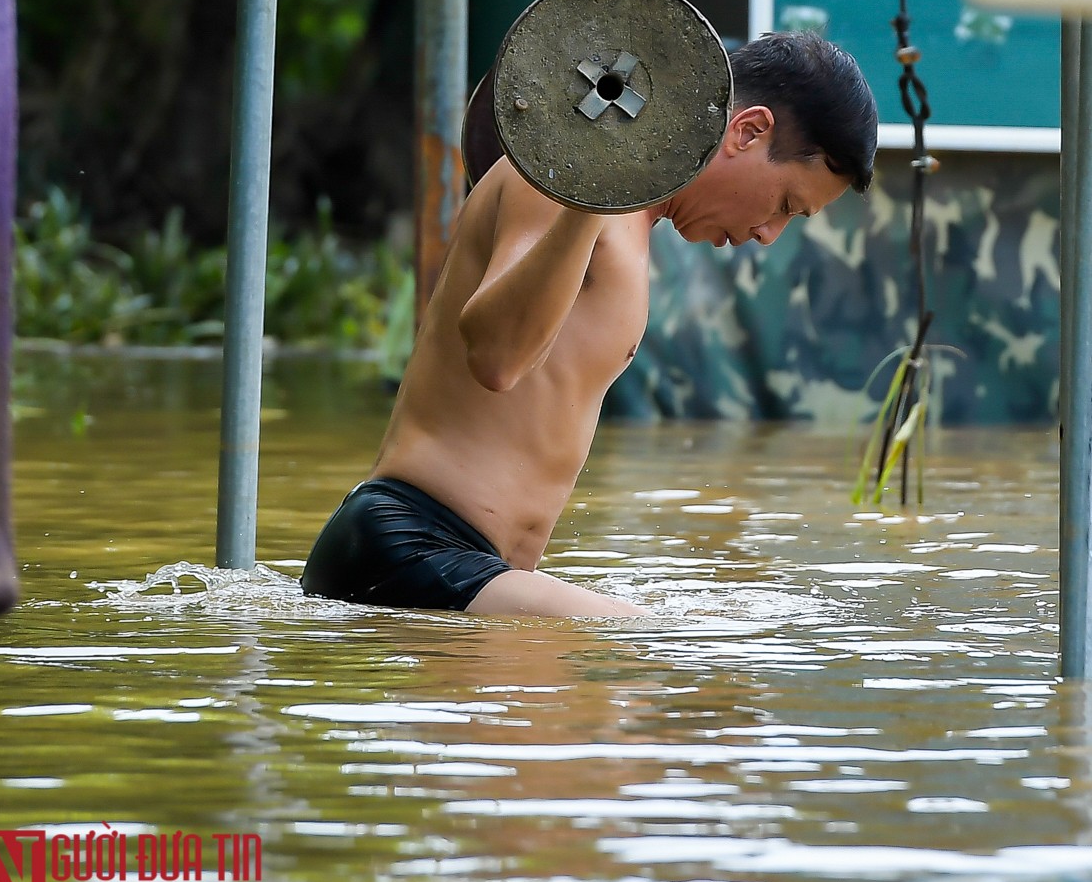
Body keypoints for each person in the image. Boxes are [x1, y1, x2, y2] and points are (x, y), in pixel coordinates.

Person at [302, 31, 878, 618]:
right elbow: (496, 357)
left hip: (470, 565)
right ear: (748, 130)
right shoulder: (561, 181)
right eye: (785, 204)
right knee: (667, 646)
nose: (768, 234)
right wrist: (589, 192)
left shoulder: (627, 219)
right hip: (408, 548)